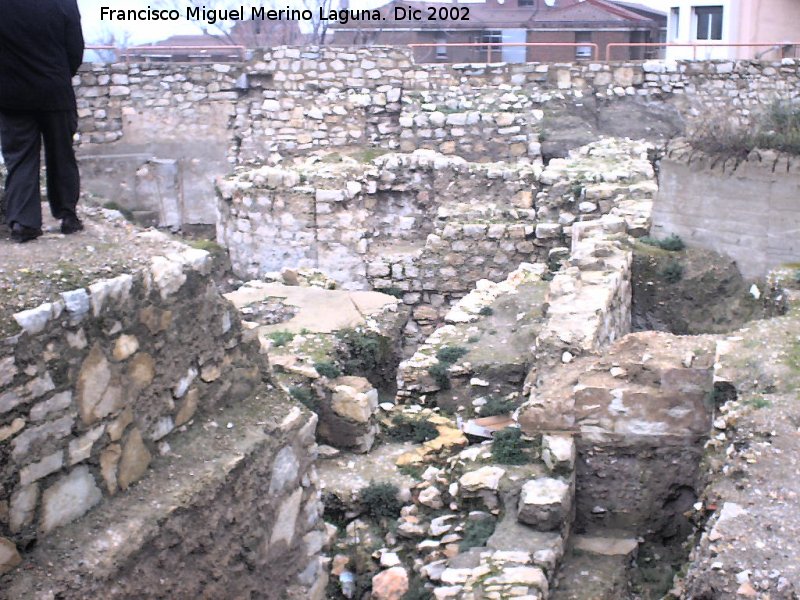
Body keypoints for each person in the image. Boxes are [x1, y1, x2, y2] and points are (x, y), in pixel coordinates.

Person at [0, 0, 85, 243]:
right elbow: (75, 48)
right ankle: (68, 215)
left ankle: (23, 222)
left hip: (11, 93)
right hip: (55, 90)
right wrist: (58, 74)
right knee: (62, 155)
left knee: (20, 158)